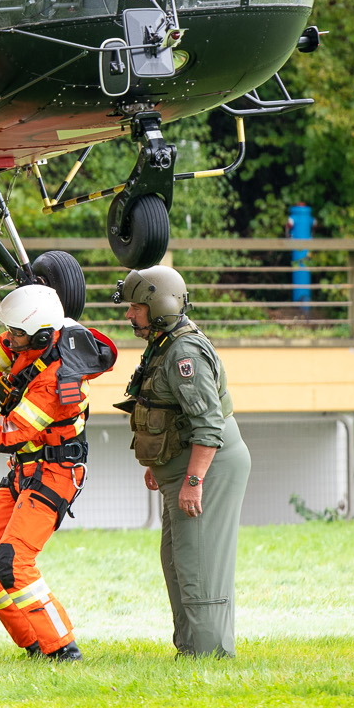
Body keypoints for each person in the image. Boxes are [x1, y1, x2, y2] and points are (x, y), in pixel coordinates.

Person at [0, 283, 118, 660]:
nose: (9, 338)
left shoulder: (57, 380)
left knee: (14, 562)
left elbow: (6, 435)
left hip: (56, 473)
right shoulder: (22, 339)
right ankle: (34, 644)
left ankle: (63, 649)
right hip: (24, 469)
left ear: (42, 336)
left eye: (16, 333)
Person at [113, 266, 251, 658]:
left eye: (136, 307)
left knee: (199, 565)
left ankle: (211, 655)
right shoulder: (164, 343)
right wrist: (156, 461)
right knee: (176, 561)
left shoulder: (183, 353)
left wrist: (193, 481)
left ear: (159, 306)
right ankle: (190, 650)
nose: (129, 315)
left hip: (206, 469)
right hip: (183, 468)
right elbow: (167, 410)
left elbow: (208, 423)